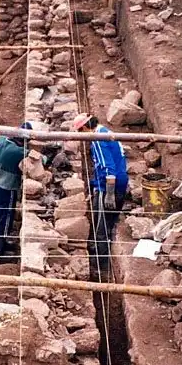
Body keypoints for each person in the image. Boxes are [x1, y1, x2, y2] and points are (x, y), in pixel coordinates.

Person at [71, 113, 129, 277]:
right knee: (107, 222)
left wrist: (108, 194)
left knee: (102, 229)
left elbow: (108, 168)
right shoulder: (106, 131)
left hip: (110, 187)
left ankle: (101, 269)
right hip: (117, 183)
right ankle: (101, 256)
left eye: (80, 132)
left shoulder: (97, 139)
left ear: (84, 128)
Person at [0, 122, 32, 262]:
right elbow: (39, 159)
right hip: (7, 187)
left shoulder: (1, 139)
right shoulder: (17, 152)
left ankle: (2, 243)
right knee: (6, 218)